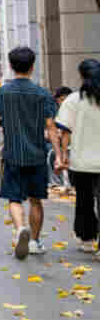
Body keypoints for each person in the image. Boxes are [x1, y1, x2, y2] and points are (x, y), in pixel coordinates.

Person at [0, 46, 59, 260]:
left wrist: (6, 119)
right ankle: (36, 242)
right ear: (32, 66)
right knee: (36, 200)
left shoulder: (3, 92)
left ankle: (20, 228)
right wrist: (59, 155)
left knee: (14, 198)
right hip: (37, 155)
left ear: (11, 66)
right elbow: (51, 127)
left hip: (12, 154)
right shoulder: (43, 94)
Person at [55, 60, 100, 251]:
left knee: (84, 201)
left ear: (81, 76)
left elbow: (65, 132)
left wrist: (63, 155)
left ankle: (88, 240)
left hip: (81, 162)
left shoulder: (73, 100)